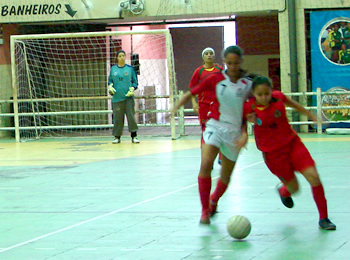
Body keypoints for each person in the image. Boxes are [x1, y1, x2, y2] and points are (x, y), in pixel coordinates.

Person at [171, 45, 252, 224]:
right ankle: (204, 210)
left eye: (235, 63)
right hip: (214, 125)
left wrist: (245, 133)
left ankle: (214, 200)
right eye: (229, 63)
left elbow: (247, 112)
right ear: (224, 63)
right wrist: (175, 106)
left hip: (234, 133)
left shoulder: (247, 84)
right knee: (206, 164)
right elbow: (192, 92)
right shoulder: (215, 78)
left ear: (240, 62)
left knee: (225, 177)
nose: (232, 66)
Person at [243, 75, 336, 230]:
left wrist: (311, 115)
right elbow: (240, 123)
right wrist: (243, 135)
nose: (264, 97)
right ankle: (284, 191)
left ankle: (324, 218)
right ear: (253, 94)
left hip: (292, 145)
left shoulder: (278, 98)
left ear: (271, 91)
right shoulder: (249, 107)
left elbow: (295, 105)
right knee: (295, 189)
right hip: (273, 155)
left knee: (314, 177)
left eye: (267, 93)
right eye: (260, 94)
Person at [189, 47, 224, 164]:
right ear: (203, 57)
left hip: (218, 105)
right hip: (204, 105)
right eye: (206, 54)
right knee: (205, 131)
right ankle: (206, 158)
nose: (209, 55)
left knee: (220, 130)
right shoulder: (198, 71)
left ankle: (221, 157)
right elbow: (192, 89)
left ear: (214, 56)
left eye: (211, 53)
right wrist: (194, 103)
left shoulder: (220, 69)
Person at [108, 50, 140, 144]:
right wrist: (110, 87)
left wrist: (132, 89)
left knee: (131, 117)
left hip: (128, 98)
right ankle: (117, 137)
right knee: (118, 118)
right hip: (117, 98)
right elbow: (110, 81)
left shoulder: (130, 69)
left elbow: (135, 82)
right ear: (117, 58)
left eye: (123, 56)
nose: (122, 57)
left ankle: (134, 136)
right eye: (120, 56)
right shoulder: (113, 69)